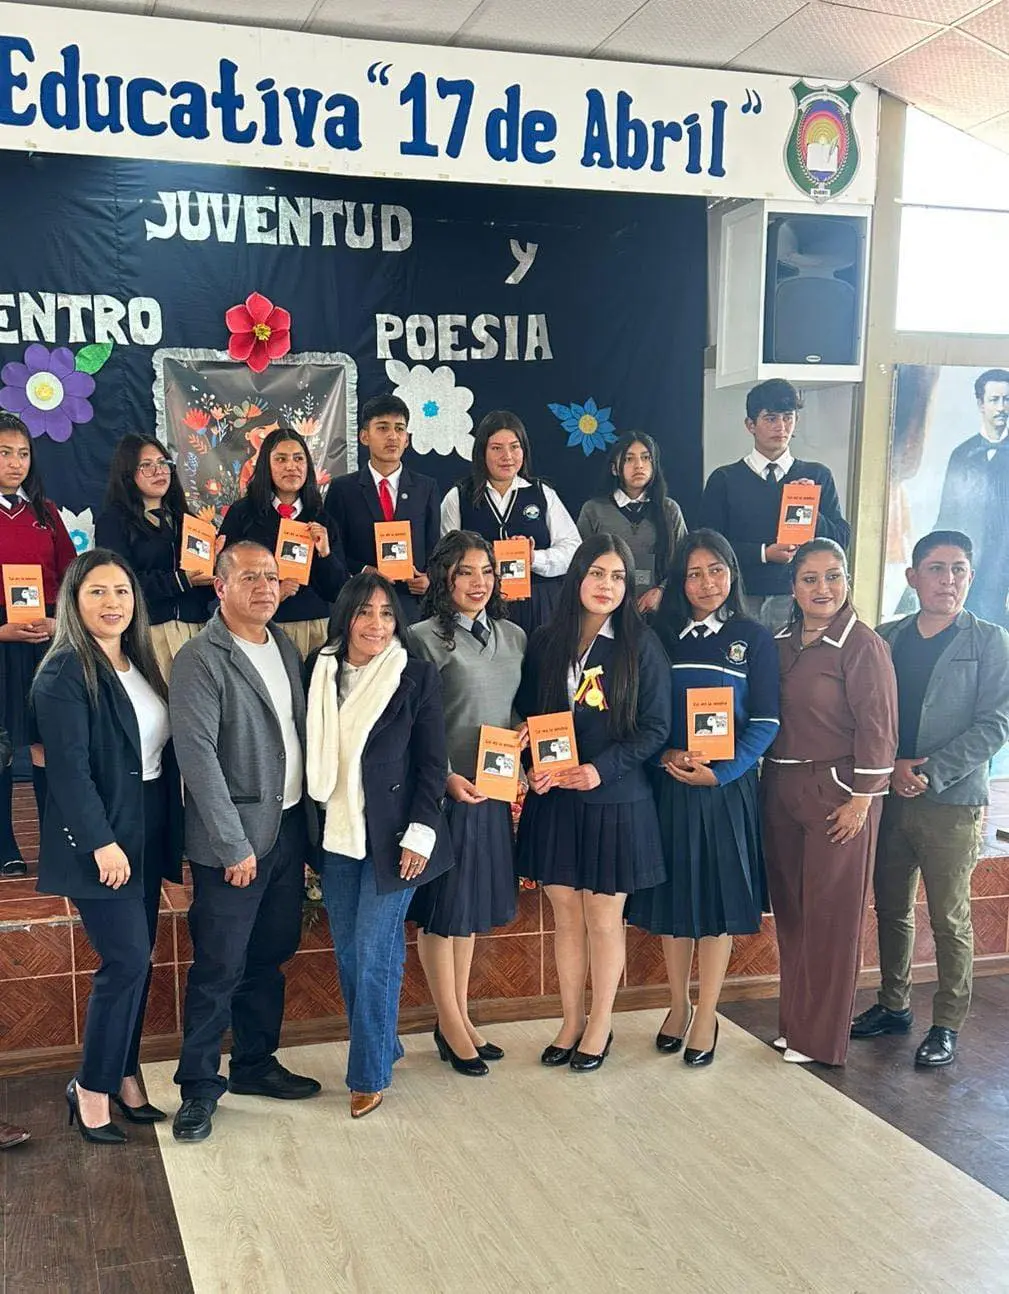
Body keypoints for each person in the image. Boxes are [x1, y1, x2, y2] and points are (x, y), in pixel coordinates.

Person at [169, 541, 320, 1143]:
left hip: (286, 830)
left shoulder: (283, 646)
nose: (265, 587)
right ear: (221, 587)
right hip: (233, 844)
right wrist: (233, 845)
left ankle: (255, 1063)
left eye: (273, 577)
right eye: (251, 577)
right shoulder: (199, 658)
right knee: (219, 965)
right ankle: (198, 1087)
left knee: (270, 954)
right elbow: (198, 758)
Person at [32, 549, 184, 1142]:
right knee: (125, 960)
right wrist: (101, 842)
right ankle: (91, 1086)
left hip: (146, 825)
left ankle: (124, 1073)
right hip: (103, 836)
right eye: (96, 591)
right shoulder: (64, 672)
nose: (112, 602)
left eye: (121, 591)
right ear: (74, 600)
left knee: (139, 960)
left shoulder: (137, 661)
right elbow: (68, 772)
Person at [852, 531, 1009, 1067]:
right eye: (937, 568)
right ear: (912, 576)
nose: (949, 580)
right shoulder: (886, 638)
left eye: (959, 569)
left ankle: (947, 1023)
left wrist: (929, 771)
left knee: (949, 917)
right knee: (892, 908)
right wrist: (890, 768)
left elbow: (995, 724)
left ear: (971, 576)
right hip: (889, 796)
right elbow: (868, 712)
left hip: (951, 803)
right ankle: (893, 1005)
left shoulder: (990, 641)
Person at [515, 534, 670, 1071]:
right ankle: (570, 1020)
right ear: (577, 576)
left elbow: (656, 728)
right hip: (556, 800)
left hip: (615, 800)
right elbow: (528, 714)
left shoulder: (639, 644)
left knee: (604, 919)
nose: (607, 585)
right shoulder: (545, 641)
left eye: (618, 576)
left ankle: (600, 1024)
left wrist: (599, 770)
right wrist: (529, 760)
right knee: (566, 917)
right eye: (597, 573)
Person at [627, 530, 780, 1065]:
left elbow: (766, 721)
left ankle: (708, 1013)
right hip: (669, 786)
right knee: (675, 904)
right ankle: (678, 1005)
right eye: (694, 573)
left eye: (716, 569)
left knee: (715, 906)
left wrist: (723, 773)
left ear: (733, 572)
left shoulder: (753, 638)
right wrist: (665, 756)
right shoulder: (659, 636)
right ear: (679, 581)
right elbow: (642, 712)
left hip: (725, 793)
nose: (707, 582)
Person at [306, 573, 452, 1117]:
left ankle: (368, 1072)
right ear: (345, 617)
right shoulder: (318, 670)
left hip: (396, 838)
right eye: (365, 612)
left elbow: (432, 765)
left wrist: (421, 833)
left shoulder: (415, 675)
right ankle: (384, 1043)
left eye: (387, 613)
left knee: (372, 950)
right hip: (336, 834)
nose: (377, 624)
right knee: (354, 952)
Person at [763, 539, 898, 1065]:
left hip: (839, 794)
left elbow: (879, 729)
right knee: (793, 912)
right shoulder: (779, 643)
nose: (823, 588)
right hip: (780, 787)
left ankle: (819, 1040)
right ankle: (794, 1025)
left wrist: (862, 801)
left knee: (831, 918)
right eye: (810, 578)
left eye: (833, 576)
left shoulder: (862, 644)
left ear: (847, 580)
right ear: (793, 587)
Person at [405, 531, 527, 1072]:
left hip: (493, 791)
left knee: (469, 912)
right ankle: (450, 1023)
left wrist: (525, 733)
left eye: (486, 571)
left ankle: (459, 1017)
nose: (478, 583)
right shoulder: (420, 639)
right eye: (465, 572)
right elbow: (413, 724)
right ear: (444, 579)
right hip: (445, 792)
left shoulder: (514, 636)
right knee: (442, 914)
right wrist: (447, 778)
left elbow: (513, 706)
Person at [699, 379, 850, 630]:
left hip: (800, 597)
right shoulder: (724, 479)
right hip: (740, 595)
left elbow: (840, 541)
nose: (781, 427)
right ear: (750, 425)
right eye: (770, 418)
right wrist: (763, 553)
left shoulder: (817, 475)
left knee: (795, 656)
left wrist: (809, 508)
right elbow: (708, 545)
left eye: (788, 418)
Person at [0, 411, 76, 876]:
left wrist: (57, 621)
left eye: (23, 453)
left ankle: (57, 839)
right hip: (2, 639)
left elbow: (71, 575)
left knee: (48, 740)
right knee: (2, 746)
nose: (16, 463)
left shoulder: (45, 513)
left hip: (45, 638)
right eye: (4, 453)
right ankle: (4, 843)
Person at [441, 411, 580, 635]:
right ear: (482, 452)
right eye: (496, 448)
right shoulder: (458, 496)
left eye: (515, 447)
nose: (507, 456)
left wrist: (534, 558)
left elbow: (573, 549)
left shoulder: (542, 493)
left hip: (538, 605)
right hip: (480, 605)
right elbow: (445, 560)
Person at [95, 434, 214, 681]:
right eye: (146, 466)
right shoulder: (113, 522)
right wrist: (181, 580)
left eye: (163, 463)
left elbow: (205, 587)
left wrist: (216, 562)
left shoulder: (187, 521)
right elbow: (122, 585)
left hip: (197, 628)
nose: (159, 471)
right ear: (128, 473)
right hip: (151, 632)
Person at [220, 426, 347, 659]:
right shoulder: (242, 514)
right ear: (266, 466)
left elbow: (338, 590)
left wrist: (325, 554)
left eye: (298, 459)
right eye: (281, 459)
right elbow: (225, 577)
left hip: (313, 627)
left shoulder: (321, 517)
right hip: (256, 626)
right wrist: (274, 590)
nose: (291, 466)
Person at [324, 395, 439, 625]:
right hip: (361, 606)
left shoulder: (426, 488)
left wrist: (430, 579)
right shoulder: (343, 489)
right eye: (383, 428)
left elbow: (435, 548)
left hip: (412, 608)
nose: (392, 436)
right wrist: (363, 570)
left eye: (399, 429)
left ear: (407, 439)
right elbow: (335, 550)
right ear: (364, 436)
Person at [576, 433, 686, 613]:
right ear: (614, 468)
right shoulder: (594, 510)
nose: (639, 465)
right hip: (606, 608)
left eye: (646, 458)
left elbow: (684, 560)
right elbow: (579, 566)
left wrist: (662, 591)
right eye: (629, 459)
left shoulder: (669, 510)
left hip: (658, 610)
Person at [932, 370, 1009, 626]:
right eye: (995, 399)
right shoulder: (962, 455)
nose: (1002, 407)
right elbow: (946, 516)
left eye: (1007, 399)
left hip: (1003, 574)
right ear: (981, 404)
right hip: (964, 573)